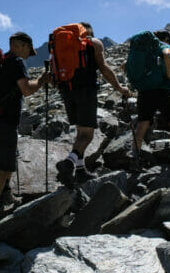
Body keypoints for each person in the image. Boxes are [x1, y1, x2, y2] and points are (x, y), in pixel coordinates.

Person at [0, 32, 51, 220]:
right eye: (29, 48)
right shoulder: (16, 62)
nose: (30, 53)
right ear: (19, 45)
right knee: (3, 164)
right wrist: (42, 80)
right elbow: (27, 90)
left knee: (5, 159)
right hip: (4, 120)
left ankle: (6, 195)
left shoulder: (1, 62)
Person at [55, 22, 131, 185]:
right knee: (87, 135)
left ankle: (81, 171)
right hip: (86, 91)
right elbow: (103, 68)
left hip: (67, 91)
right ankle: (69, 163)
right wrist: (119, 87)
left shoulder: (63, 46)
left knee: (80, 133)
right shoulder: (94, 43)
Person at [132, 31, 170, 167]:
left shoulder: (140, 49)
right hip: (161, 90)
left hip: (144, 91)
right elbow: (167, 54)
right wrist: (168, 75)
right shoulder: (162, 46)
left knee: (143, 123)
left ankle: (134, 159)